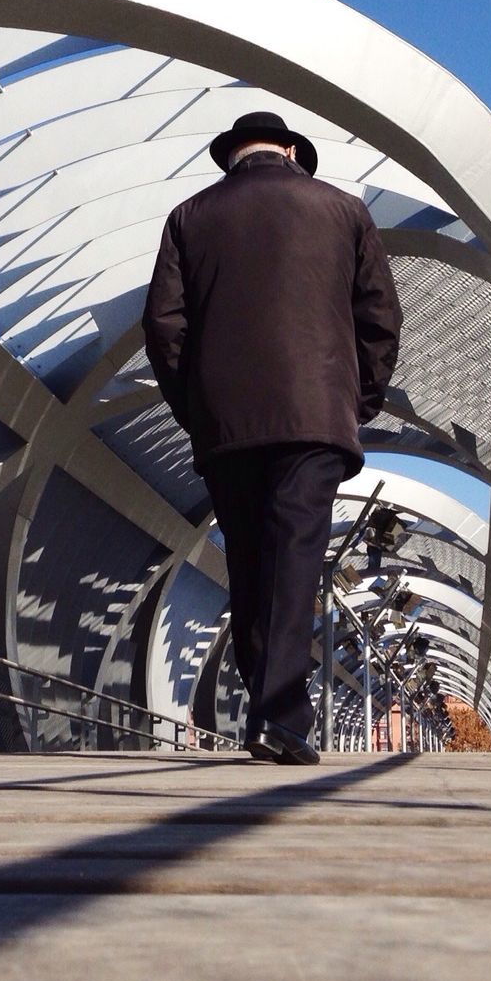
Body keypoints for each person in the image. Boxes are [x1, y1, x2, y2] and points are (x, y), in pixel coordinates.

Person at [142, 111, 402, 764]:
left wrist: (198, 409)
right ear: (290, 150)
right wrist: (357, 399)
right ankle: (280, 718)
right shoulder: (344, 210)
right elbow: (380, 318)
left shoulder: (189, 217)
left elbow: (164, 328)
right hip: (313, 415)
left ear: (233, 155)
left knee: (252, 564)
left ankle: (267, 708)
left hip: (227, 423)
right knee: (293, 560)